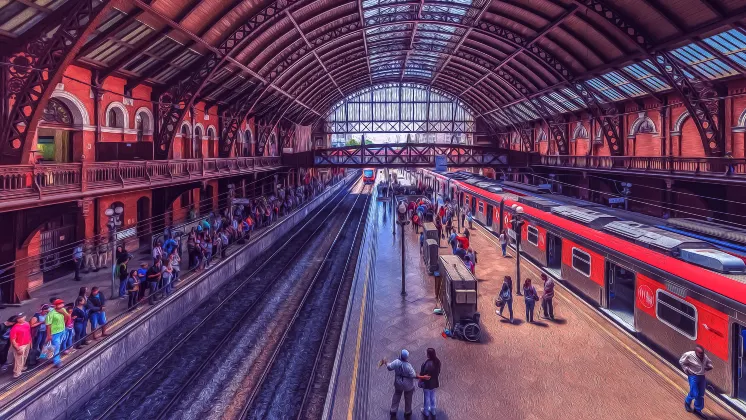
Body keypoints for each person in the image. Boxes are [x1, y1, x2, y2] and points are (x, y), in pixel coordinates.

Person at [382, 349, 430, 420]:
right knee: (408, 398)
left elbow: (389, 367)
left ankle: (393, 410)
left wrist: (385, 362)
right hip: (408, 385)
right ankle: (407, 411)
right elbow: (414, 375)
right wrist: (423, 377)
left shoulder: (396, 362)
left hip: (398, 383)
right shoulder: (408, 366)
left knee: (397, 395)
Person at [680, 345, 713, 416]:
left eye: (702, 353)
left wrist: (709, 366)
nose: (702, 355)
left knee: (701, 394)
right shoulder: (688, 355)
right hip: (693, 376)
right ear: (696, 352)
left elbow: (709, 362)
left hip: (702, 376)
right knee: (695, 392)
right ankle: (687, 402)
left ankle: (697, 410)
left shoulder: (704, 356)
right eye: (700, 353)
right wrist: (686, 370)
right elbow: (681, 361)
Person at [45, 299, 69, 368]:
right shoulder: (51, 313)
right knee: (56, 347)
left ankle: (49, 358)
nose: (62, 305)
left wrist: (63, 314)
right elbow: (48, 325)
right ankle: (57, 361)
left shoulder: (63, 310)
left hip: (62, 330)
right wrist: (49, 335)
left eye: (62, 303)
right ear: (55, 305)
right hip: (54, 333)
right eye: (60, 304)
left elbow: (67, 317)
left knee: (54, 346)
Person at [420, 348, 441, 420]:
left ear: (429, 354)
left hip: (427, 383)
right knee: (433, 395)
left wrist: (420, 381)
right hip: (434, 382)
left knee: (426, 397)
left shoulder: (426, 363)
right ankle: (433, 410)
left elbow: (422, 373)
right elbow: (438, 371)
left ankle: (426, 411)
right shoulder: (437, 361)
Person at [9, 314, 31, 378]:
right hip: (20, 346)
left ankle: (22, 367)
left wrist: (30, 341)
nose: (22, 318)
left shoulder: (27, 324)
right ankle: (17, 372)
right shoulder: (15, 328)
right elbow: (13, 340)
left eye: (22, 317)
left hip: (27, 343)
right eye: (19, 318)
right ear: (17, 320)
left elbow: (28, 333)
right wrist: (18, 349)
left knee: (24, 357)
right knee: (18, 360)